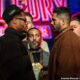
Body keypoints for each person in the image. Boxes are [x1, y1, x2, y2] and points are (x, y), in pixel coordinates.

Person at [0, 5, 35, 80]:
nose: (26, 23)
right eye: (24, 20)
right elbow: (14, 73)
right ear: (15, 21)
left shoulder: (15, 40)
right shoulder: (11, 42)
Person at [48, 7, 80, 80]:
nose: (51, 23)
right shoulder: (63, 37)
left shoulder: (68, 39)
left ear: (63, 21)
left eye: (54, 20)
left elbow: (68, 73)